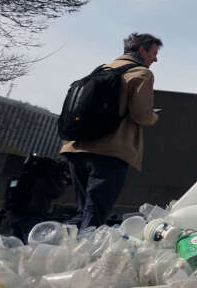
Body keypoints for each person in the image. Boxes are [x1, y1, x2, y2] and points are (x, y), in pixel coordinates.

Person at [61, 32, 162, 231]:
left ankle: (61, 249)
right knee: (94, 215)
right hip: (110, 152)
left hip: (76, 148)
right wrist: (154, 116)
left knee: (83, 211)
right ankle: (82, 257)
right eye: (154, 53)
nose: (155, 59)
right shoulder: (142, 74)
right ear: (142, 50)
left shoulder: (99, 70)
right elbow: (141, 115)